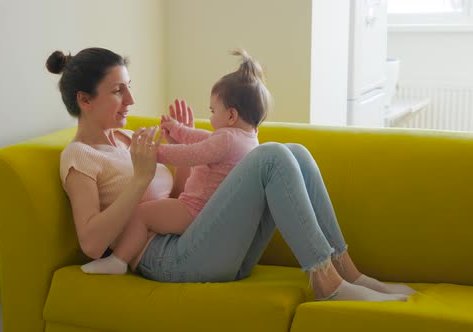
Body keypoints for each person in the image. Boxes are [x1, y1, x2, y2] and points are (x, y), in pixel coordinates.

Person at [48, 47, 416, 301]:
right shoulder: (80, 156)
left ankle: (347, 272)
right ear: (84, 100)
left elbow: (179, 200)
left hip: (200, 240)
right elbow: (92, 244)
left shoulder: (131, 139)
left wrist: (188, 158)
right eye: (118, 90)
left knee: (295, 154)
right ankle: (326, 281)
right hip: (165, 259)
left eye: (129, 87)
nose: (131, 100)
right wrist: (142, 178)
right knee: (271, 155)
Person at [80, 50, 267, 275]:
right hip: (201, 216)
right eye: (118, 90)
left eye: (212, 111)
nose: (209, 118)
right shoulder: (247, 138)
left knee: (141, 214)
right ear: (84, 99)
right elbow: (200, 139)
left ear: (231, 116)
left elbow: (189, 153)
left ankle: (118, 260)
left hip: (193, 210)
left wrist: (153, 153)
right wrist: (178, 130)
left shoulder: (227, 139)